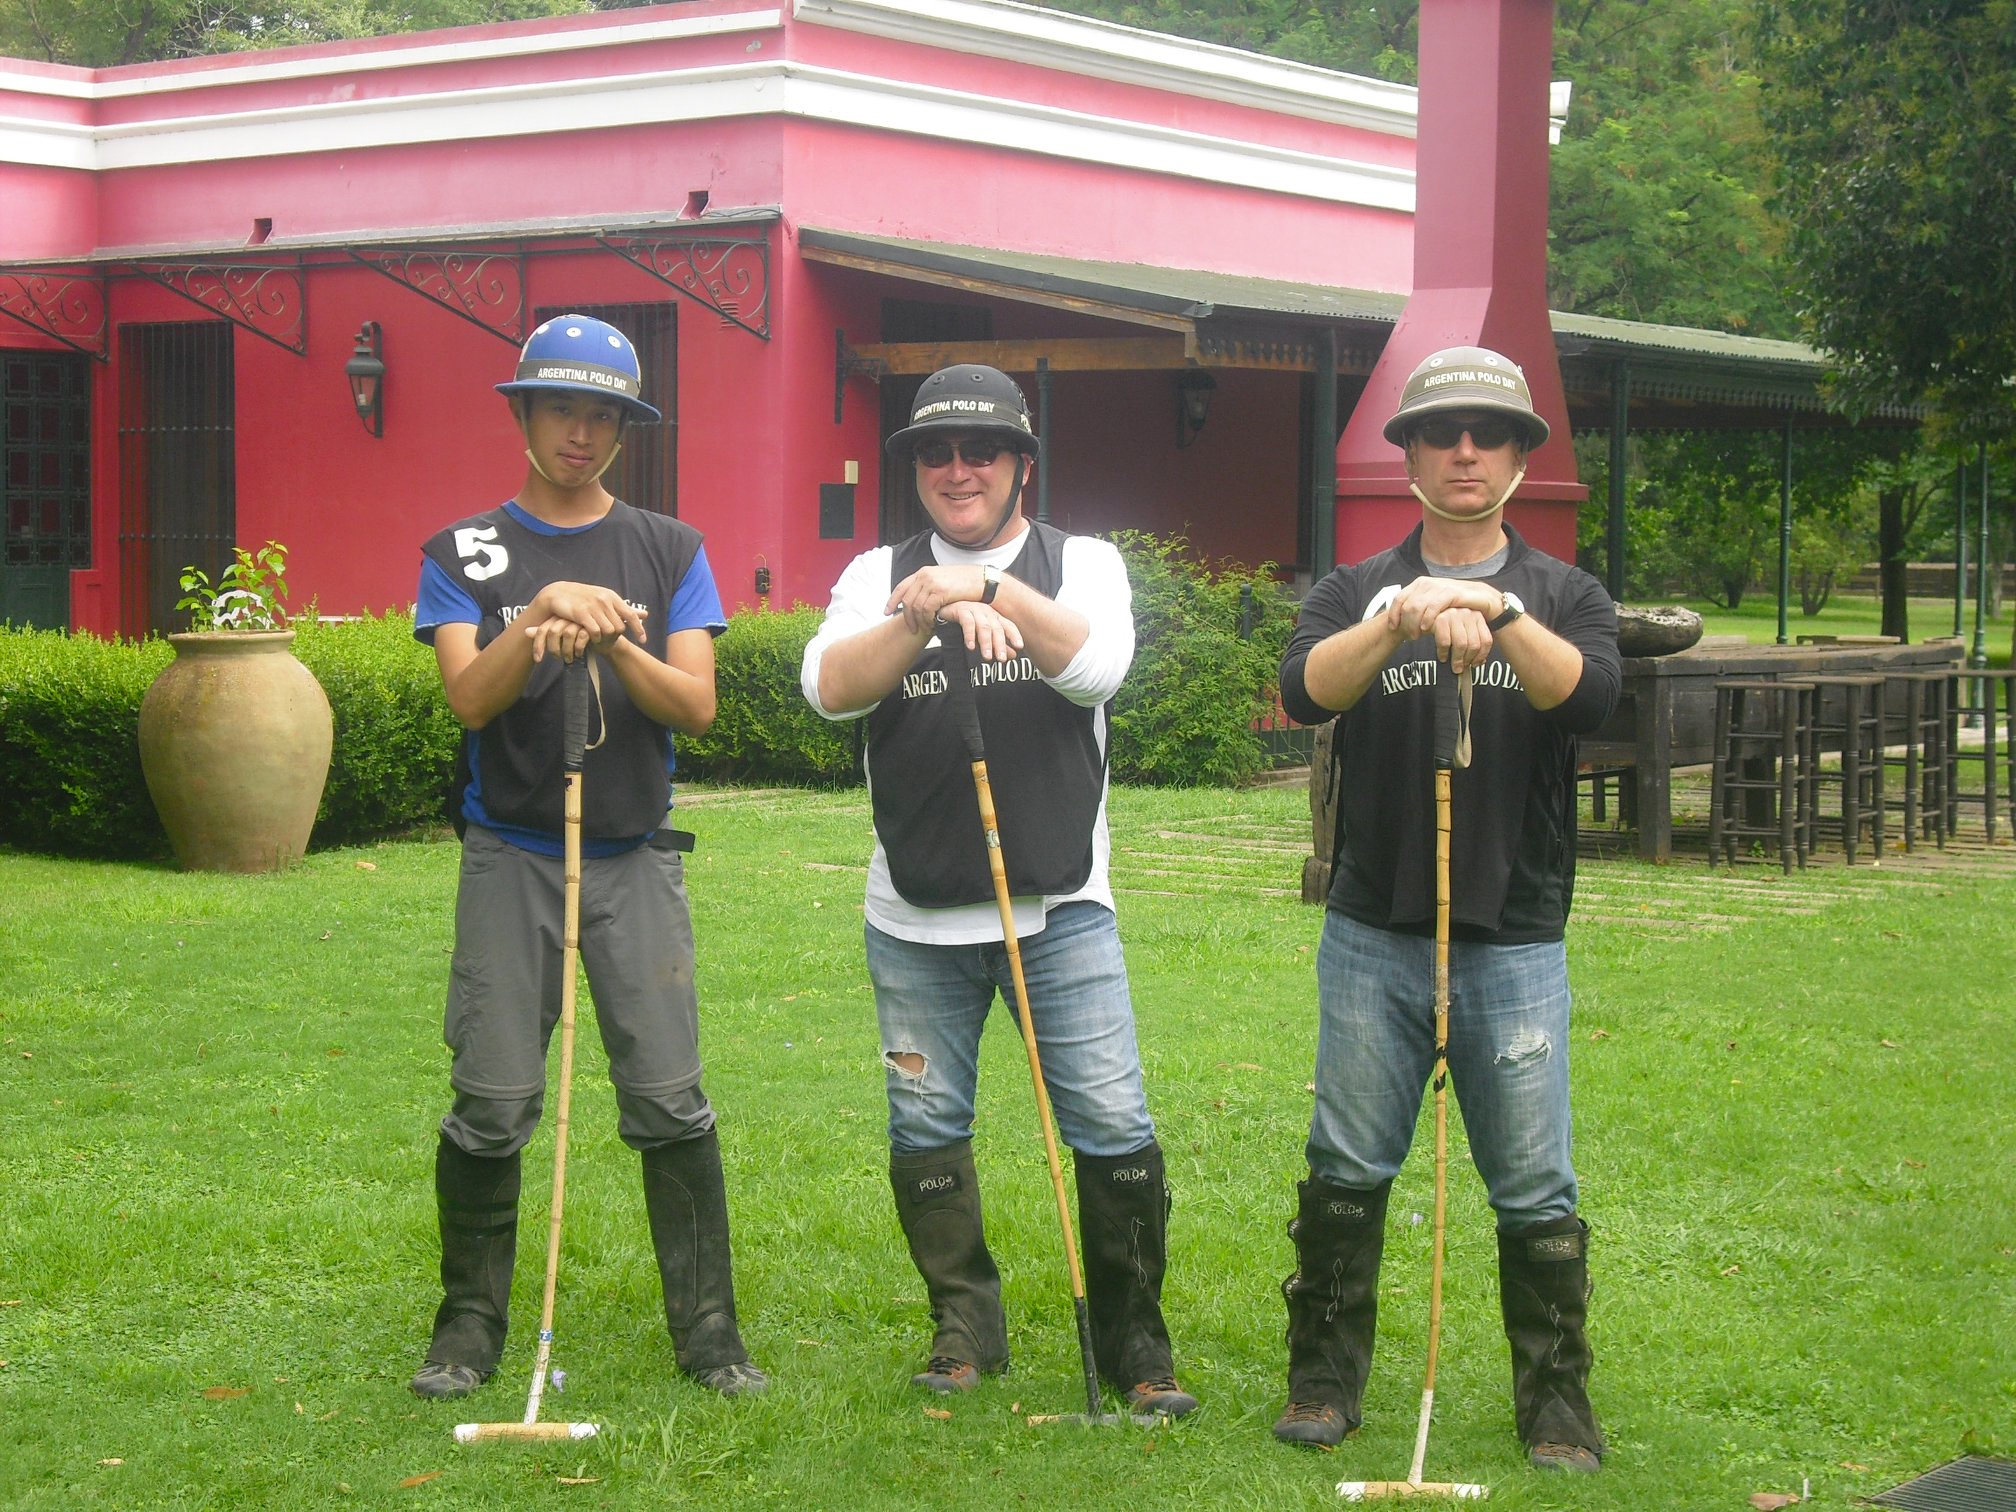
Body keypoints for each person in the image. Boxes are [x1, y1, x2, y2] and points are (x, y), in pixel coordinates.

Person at [798, 364, 1196, 1418]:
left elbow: (1099, 668)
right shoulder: (873, 573)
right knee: (925, 1127)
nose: (959, 469)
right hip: (913, 916)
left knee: (1112, 1127)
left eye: (983, 450)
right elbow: (830, 689)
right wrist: (923, 611)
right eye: (937, 452)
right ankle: (963, 1325)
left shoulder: (1085, 564)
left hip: (1062, 912)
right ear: (916, 470)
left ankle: (1135, 1344)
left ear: (1023, 465)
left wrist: (989, 591)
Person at [1272, 347, 1620, 1469]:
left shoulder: (1567, 594)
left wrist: (1495, 610)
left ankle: (1557, 1402)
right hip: (1375, 926)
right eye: (1441, 433)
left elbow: (1592, 695)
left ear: (1520, 457)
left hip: (1514, 934)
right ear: (1409, 456)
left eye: (1488, 433)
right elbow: (1303, 688)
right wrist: (1401, 617)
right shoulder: (1350, 587)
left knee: (1534, 1181)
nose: (1464, 451)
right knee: (1346, 1164)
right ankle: (1323, 1385)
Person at [407, 313, 765, 1402]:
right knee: (495, 1098)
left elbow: (695, 707)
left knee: (668, 1096)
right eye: (562, 407)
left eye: (603, 415)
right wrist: (541, 613)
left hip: (633, 856)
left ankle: (709, 1336)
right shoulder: (463, 550)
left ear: (624, 429)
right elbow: (470, 695)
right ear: (523, 412)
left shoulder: (670, 548)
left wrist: (612, 635)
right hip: (511, 853)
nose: (582, 432)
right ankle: (468, 1331)